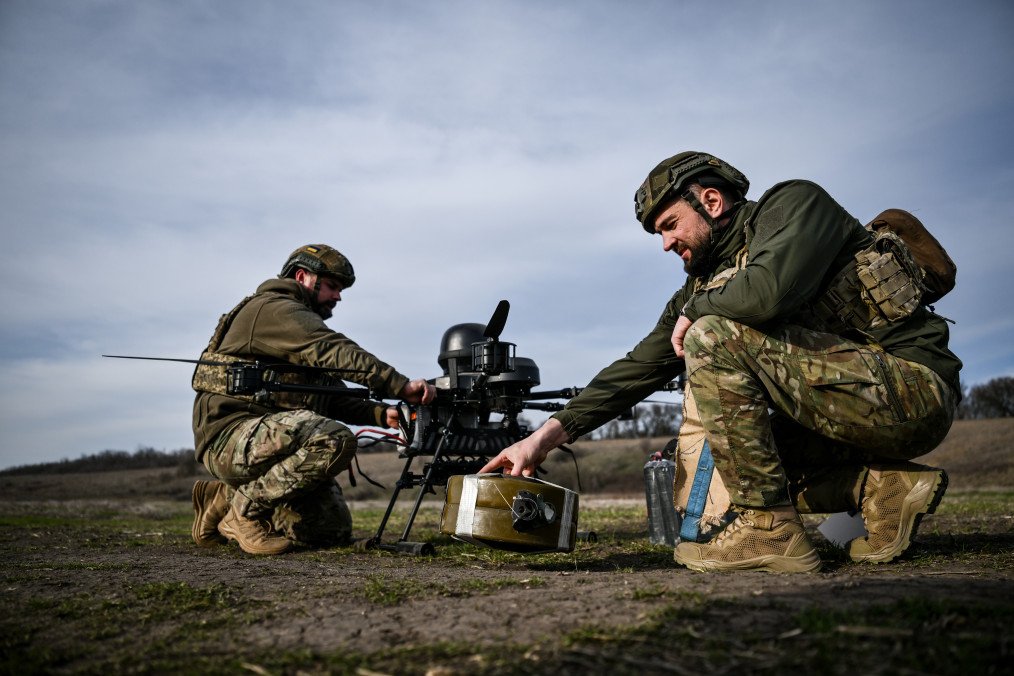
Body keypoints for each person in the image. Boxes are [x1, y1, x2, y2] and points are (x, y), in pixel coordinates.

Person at [480, 152, 961, 573]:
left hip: (910, 390)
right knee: (715, 461)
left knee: (711, 336)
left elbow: (769, 290)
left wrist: (696, 313)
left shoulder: (796, 205)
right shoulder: (699, 290)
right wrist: (542, 438)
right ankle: (880, 491)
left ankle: (767, 529)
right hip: (836, 414)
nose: (665, 244)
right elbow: (634, 370)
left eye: (669, 225)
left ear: (711, 202)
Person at [190, 244, 436, 555]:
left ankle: (220, 499)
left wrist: (380, 414)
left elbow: (330, 395)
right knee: (333, 439)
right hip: (230, 438)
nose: (338, 296)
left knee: (328, 531)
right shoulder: (276, 309)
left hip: (265, 443)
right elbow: (334, 351)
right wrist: (399, 386)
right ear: (303, 277)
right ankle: (243, 512)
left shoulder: (295, 328)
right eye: (333, 286)